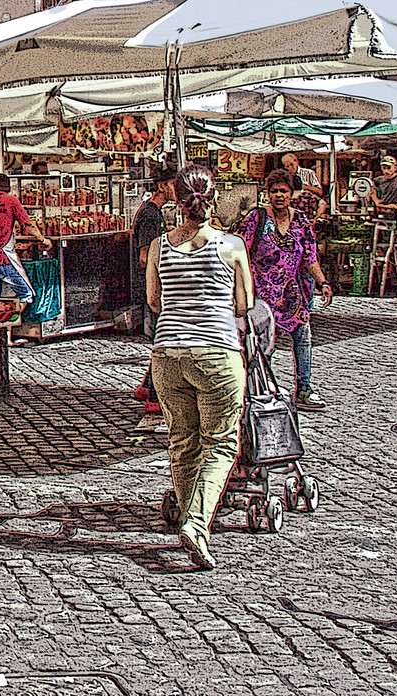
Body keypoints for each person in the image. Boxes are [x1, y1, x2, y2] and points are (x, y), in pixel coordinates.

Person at [144, 163, 253, 571]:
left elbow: (154, 301)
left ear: (176, 198)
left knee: (182, 441)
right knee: (221, 442)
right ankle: (197, 522)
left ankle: (192, 517)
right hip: (216, 353)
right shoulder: (231, 245)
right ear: (214, 198)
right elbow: (244, 304)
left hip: (168, 353)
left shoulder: (160, 246)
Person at [237, 169, 334, 412]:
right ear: (267, 194)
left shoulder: (300, 221)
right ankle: (261, 388)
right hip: (262, 295)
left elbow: (310, 256)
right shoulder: (256, 219)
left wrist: (322, 283)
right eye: (274, 191)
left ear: (292, 194)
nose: (279, 195)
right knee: (263, 344)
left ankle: (304, 388)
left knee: (303, 339)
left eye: (284, 191)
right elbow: (239, 252)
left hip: (293, 295)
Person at [131, 165, 177, 420]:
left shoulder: (153, 212)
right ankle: (154, 396)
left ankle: (146, 387)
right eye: (172, 184)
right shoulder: (150, 214)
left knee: (163, 339)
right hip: (155, 286)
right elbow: (145, 256)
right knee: (163, 341)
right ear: (161, 186)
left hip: (154, 284)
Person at [0, 174, 49, 304]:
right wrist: (43, 240)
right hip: (3, 257)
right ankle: (16, 322)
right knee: (26, 292)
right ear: (9, 187)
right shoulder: (11, 200)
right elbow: (28, 224)